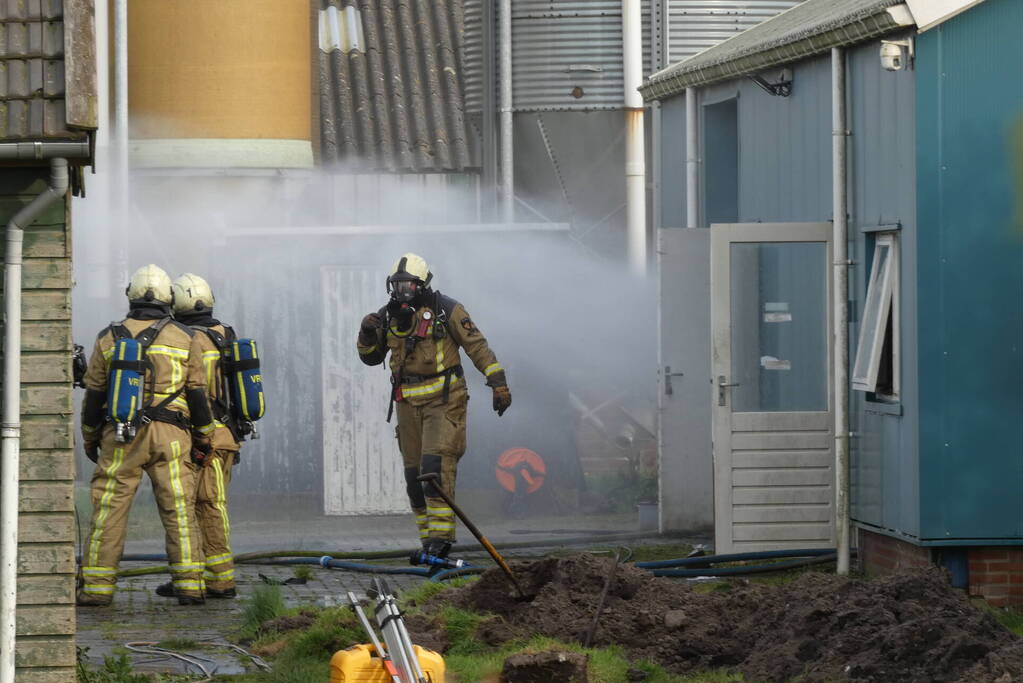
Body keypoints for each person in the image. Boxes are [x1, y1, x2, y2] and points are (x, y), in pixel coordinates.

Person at [78, 264, 216, 606]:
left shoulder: (108, 337)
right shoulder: (186, 337)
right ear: (169, 298)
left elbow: (94, 394)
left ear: (130, 295)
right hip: (171, 437)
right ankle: (189, 586)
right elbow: (197, 395)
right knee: (179, 511)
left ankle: (96, 589)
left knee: (109, 509)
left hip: (121, 436)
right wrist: (203, 438)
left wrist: (90, 436)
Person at [357, 253, 512, 557]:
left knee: (434, 469)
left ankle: (442, 542)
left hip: (445, 401)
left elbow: (476, 346)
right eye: (398, 285)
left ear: (423, 284)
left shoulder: (447, 310)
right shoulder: (386, 317)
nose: (403, 292)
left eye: (409, 285)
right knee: (414, 477)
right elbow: (370, 357)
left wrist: (498, 382)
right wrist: (365, 332)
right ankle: (427, 541)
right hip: (407, 404)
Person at [151, 273, 242, 599]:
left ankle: (219, 580)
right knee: (205, 506)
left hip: (207, 438)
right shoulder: (225, 334)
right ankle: (204, 576)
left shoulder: (189, 338)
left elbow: (194, 394)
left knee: (205, 506)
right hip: (226, 434)